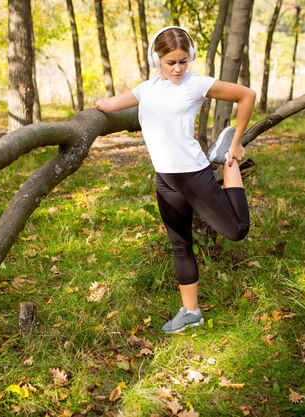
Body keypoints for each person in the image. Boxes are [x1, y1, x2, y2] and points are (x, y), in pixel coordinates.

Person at [95, 26, 256, 333]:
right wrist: (95, 110)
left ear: (190, 57)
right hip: (166, 179)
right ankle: (191, 312)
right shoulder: (147, 89)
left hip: (193, 175)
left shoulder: (195, 84)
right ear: (157, 59)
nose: (179, 68)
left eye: (183, 61)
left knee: (237, 230)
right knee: (180, 245)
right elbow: (109, 105)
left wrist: (237, 142)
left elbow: (246, 95)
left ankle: (227, 157)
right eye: (171, 62)